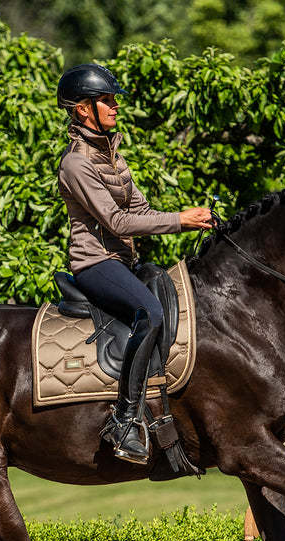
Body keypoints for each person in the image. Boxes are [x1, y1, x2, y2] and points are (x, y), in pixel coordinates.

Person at [56, 63, 213, 464]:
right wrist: (180, 220)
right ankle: (124, 421)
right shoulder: (76, 164)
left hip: (126, 260)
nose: (114, 107)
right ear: (82, 110)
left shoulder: (113, 155)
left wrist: (197, 222)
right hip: (96, 264)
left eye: (113, 100)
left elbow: (140, 208)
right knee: (151, 311)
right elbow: (116, 221)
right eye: (106, 101)